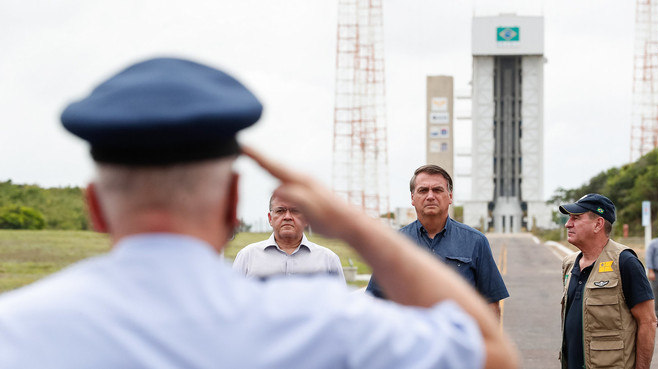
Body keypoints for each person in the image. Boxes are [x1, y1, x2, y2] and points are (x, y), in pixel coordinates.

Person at [0, 57, 519, 369]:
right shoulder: (316, 321)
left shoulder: (17, 329)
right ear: (232, 204)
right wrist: (361, 227)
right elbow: (488, 352)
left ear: (94, 207)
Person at [367, 164, 509, 316]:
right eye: (423, 190)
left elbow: (491, 305)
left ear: (450, 196)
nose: (430, 196)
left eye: (437, 190)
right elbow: (374, 302)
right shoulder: (394, 244)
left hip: (456, 339)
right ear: (412, 198)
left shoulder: (475, 242)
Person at [559, 193, 656, 369]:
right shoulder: (569, 264)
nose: (568, 223)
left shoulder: (625, 262)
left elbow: (648, 322)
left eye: (576, 218)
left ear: (598, 224)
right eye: (569, 218)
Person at [232, 193, 344, 281]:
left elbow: (340, 306)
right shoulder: (247, 257)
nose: (287, 217)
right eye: (280, 211)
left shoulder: (328, 260)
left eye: (295, 211)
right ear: (270, 218)